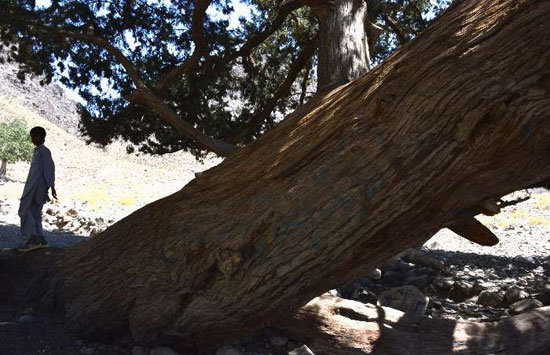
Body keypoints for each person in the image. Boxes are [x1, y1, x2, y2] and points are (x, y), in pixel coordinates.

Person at [17, 126, 57, 251]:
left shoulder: (44, 151)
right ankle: (41, 239)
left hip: (37, 188)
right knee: (35, 213)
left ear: (42, 137)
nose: (33, 139)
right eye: (32, 136)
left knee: (24, 210)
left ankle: (33, 239)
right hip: (33, 186)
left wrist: (51, 186)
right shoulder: (38, 151)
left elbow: (49, 169)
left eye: (35, 136)